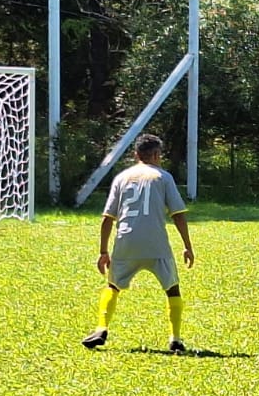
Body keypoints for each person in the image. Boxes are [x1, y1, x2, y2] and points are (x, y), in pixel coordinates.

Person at [82, 133, 194, 352]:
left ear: (136, 155)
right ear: (157, 155)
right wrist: (187, 246)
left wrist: (103, 251)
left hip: (126, 242)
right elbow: (178, 214)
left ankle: (101, 328)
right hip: (156, 244)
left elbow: (107, 218)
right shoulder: (163, 177)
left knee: (113, 286)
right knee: (172, 289)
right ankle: (175, 338)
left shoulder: (122, 178)